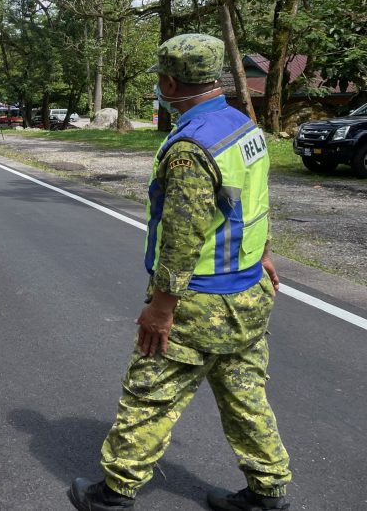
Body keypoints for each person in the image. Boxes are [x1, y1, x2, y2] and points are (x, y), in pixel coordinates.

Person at [68, 34, 292, 511]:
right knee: (246, 395)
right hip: (249, 288)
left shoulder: (191, 145)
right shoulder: (242, 126)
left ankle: (114, 494)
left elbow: (183, 234)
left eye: (159, 82)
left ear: (170, 83)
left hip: (198, 302)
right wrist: (264, 252)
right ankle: (268, 493)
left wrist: (162, 307)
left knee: (150, 394)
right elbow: (255, 198)